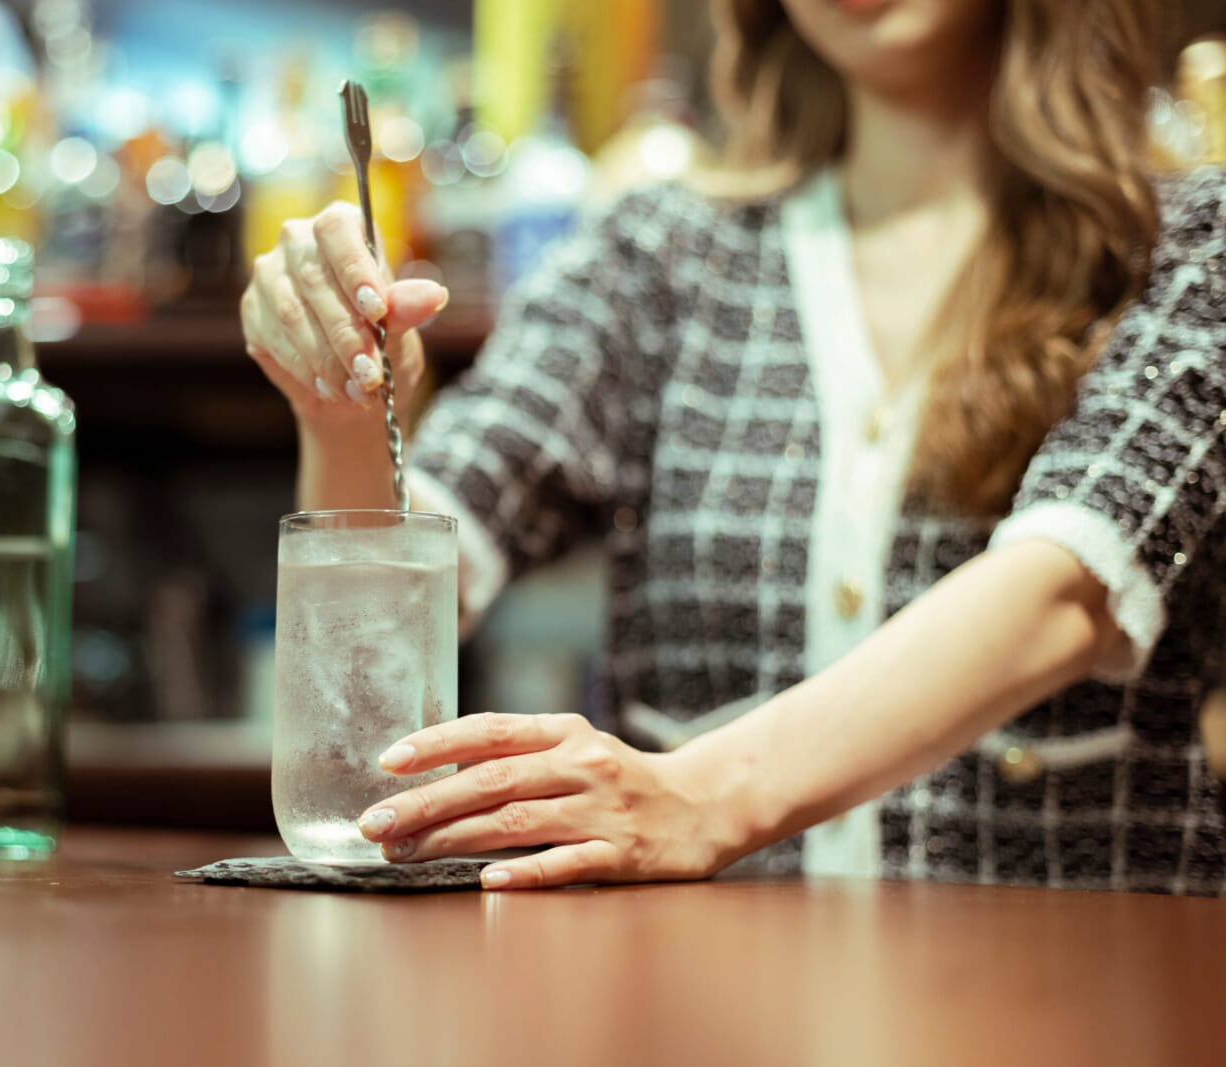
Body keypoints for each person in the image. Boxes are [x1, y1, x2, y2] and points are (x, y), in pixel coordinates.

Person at [239, 0, 1226, 894]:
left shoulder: (1188, 244)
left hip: (1075, 1001)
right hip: (699, 1013)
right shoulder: (658, 256)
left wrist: (703, 795)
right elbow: (413, 585)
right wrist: (341, 408)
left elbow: (1073, 582)